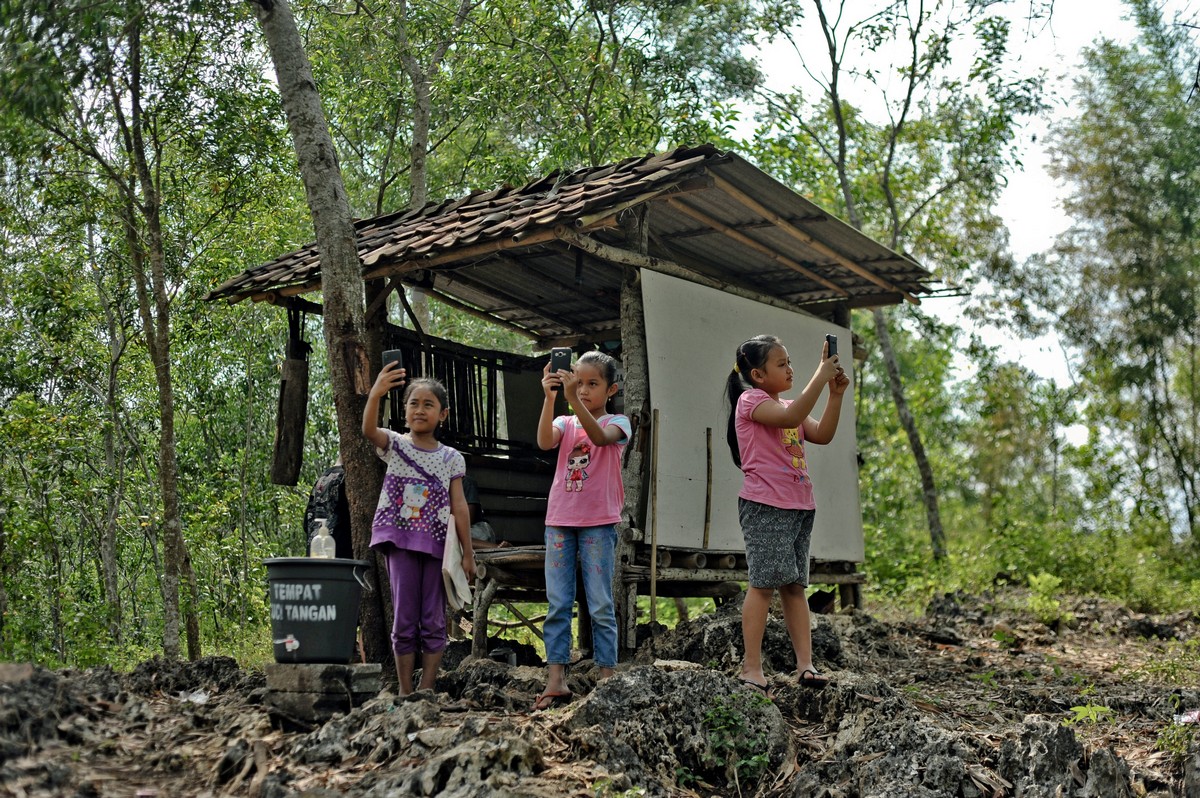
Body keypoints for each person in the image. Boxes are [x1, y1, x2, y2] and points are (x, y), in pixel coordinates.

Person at [725, 334, 849, 697]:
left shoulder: (790, 406)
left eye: (790, 361)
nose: (790, 369)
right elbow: (790, 416)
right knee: (762, 585)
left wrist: (835, 395)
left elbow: (823, 433)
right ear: (758, 375)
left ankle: (805, 665)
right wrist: (822, 375)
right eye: (782, 364)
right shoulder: (751, 401)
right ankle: (752, 667)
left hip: (798, 505)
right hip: (766, 505)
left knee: (794, 586)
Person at [362, 361, 475, 695]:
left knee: (434, 619)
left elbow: (459, 506)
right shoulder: (396, 445)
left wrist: (468, 553)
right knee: (405, 617)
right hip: (399, 540)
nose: (420, 409)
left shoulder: (451, 458)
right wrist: (376, 393)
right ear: (404, 410)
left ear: (443, 415)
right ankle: (404, 691)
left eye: (429, 404)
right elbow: (369, 430)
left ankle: (426, 688)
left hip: (438, 545)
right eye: (414, 403)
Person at [533, 350, 630, 711]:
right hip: (559, 521)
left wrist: (574, 400)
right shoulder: (565, 422)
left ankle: (607, 677)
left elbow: (602, 438)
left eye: (594, 384)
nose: (585, 389)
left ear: (611, 389)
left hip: (598, 524)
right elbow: (544, 442)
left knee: (600, 602)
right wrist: (550, 398)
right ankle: (556, 679)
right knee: (558, 602)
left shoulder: (619, 422)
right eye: (580, 382)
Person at [304, 456, 353, 559]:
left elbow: (306, 523)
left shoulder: (320, 480)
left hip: (314, 557)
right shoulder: (348, 479)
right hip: (341, 560)